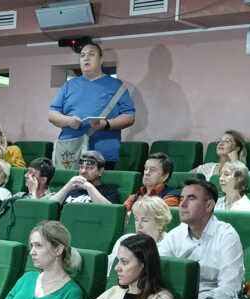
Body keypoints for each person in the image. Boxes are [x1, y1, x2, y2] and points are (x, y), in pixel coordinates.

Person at [48, 41, 136, 169]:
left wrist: (106, 124)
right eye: (82, 55)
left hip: (103, 152)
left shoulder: (116, 85)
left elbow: (129, 116)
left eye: (91, 54)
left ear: (101, 60)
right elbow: (52, 114)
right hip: (70, 152)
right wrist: (68, 121)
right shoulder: (68, 86)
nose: (86, 58)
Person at [71, 233, 175, 299]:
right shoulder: (114, 291)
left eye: (124, 262)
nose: (117, 268)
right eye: (118, 261)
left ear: (143, 265)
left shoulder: (162, 298)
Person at [158, 180, 243, 299]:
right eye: (182, 199)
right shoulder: (174, 236)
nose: (182, 204)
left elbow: (229, 289)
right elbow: (157, 273)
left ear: (209, 205)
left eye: (191, 199)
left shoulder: (227, 235)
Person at [4, 221, 85, 299]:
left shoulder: (71, 293)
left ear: (58, 250)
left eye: (38, 245)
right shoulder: (27, 277)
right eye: (32, 245)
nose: (32, 252)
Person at [109, 195, 172, 269]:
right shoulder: (124, 239)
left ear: (160, 223)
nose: (138, 225)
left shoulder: (169, 244)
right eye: (136, 219)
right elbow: (110, 268)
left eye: (145, 220)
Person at [51, 149, 122, 204]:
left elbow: (110, 211)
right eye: (81, 167)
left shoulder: (109, 191)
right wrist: (66, 188)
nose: (83, 171)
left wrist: (89, 187)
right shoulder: (71, 189)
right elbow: (48, 206)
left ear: (100, 171)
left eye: (89, 168)